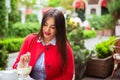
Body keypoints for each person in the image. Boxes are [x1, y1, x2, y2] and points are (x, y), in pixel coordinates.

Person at [13, 9, 74, 80]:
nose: (47, 30)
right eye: (45, 25)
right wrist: (21, 66)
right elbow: (15, 67)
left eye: (52, 27)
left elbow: (68, 75)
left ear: (59, 29)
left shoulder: (65, 48)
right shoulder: (30, 40)